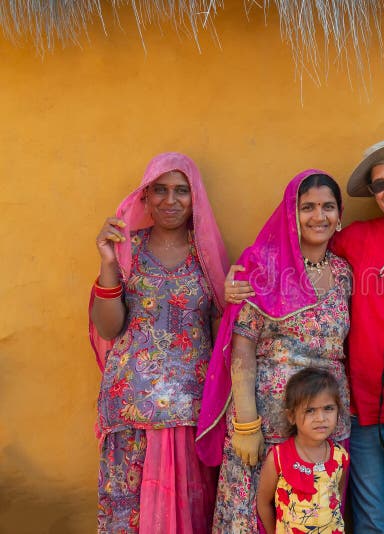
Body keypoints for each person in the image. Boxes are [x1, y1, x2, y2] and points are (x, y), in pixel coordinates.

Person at [223, 141, 384, 532]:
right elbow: (295, 246)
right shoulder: (355, 239)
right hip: (359, 412)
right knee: (369, 522)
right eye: (379, 184)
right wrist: (242, 275)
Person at [196, 171, 352, 533]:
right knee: (255, 512)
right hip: (267, 422)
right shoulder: (262, 265)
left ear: (339, 215)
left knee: (316, 513)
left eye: (328, 207)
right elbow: (244, 344)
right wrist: (247, 424)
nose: (319, 216)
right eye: (308, 207)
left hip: (325, 420)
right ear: (290, 214)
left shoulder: (344, 273)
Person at [89, 152, 229, 533]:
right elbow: (108, 327)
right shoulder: (126, 249)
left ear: (194, 197)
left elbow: (222, 336)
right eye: (160, 190)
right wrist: (106, 263)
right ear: (145, 198)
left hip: (190, 415)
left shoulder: (209, 256)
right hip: (130, 413)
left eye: (181, 191)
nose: (171, 200)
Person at [256, 368, 349, 534]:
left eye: (328, 408)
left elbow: (338, 495)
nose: (321, 418)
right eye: (310, 410)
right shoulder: (278, 458)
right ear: (291, 416)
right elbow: (263, 502)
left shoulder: (340, 456)